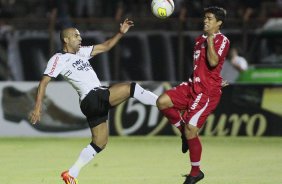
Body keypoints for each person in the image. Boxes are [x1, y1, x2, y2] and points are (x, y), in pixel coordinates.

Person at [29, 18, 158, 184]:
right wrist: (38, 107)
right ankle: (164, 103)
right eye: (76, 36)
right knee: (131, 88)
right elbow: (44, 82)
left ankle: (71, 174)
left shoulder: (81, 52)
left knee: (100, 143)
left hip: (91, 103)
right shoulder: (58, 58)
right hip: (92, 96)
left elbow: (106, 46)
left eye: (80, 35)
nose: (80, 38)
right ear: (66, 39)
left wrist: (120, 33)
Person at [156, 7, 230, 184]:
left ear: (219, 23)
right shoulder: (199, 40)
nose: (205, 21)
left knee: (192, 130)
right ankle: (183, 131)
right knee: (162, 102)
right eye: (205, 18)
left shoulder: (222, 40)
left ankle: (195, 172)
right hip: (192, 85)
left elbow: (213, 62)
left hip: (207, 92)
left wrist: (211, 39)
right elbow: (201, 67)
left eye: (210, 18)